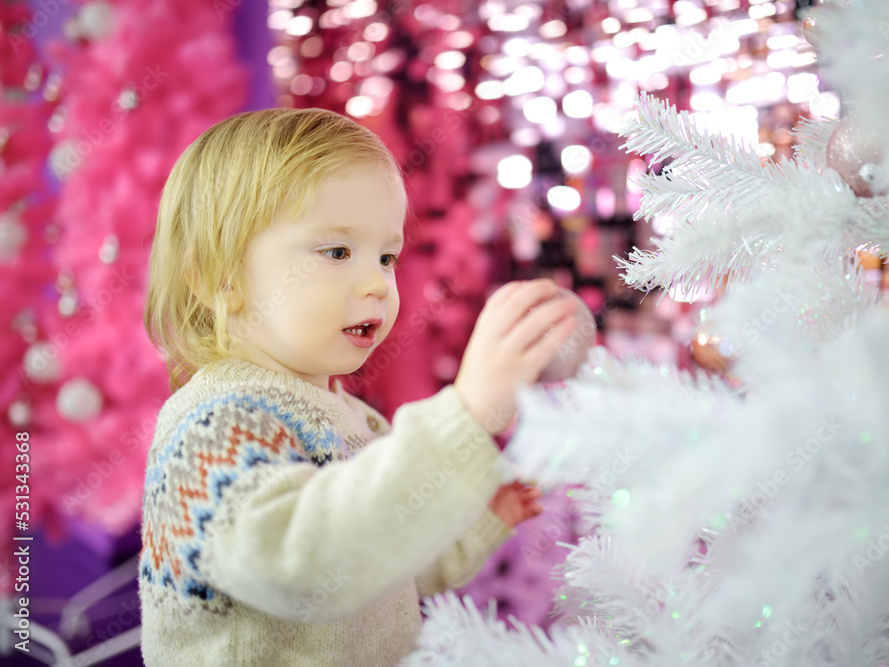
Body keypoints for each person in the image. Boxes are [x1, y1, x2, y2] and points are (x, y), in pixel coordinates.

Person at [138, 108, 577, 666]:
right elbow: (309, 567)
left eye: (386, 256)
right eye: (338, 252)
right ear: (220, 280)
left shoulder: (341, 413)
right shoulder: (215, 425)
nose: (376, 283)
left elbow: (384, 559)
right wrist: (463, 416)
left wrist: (474, 522)